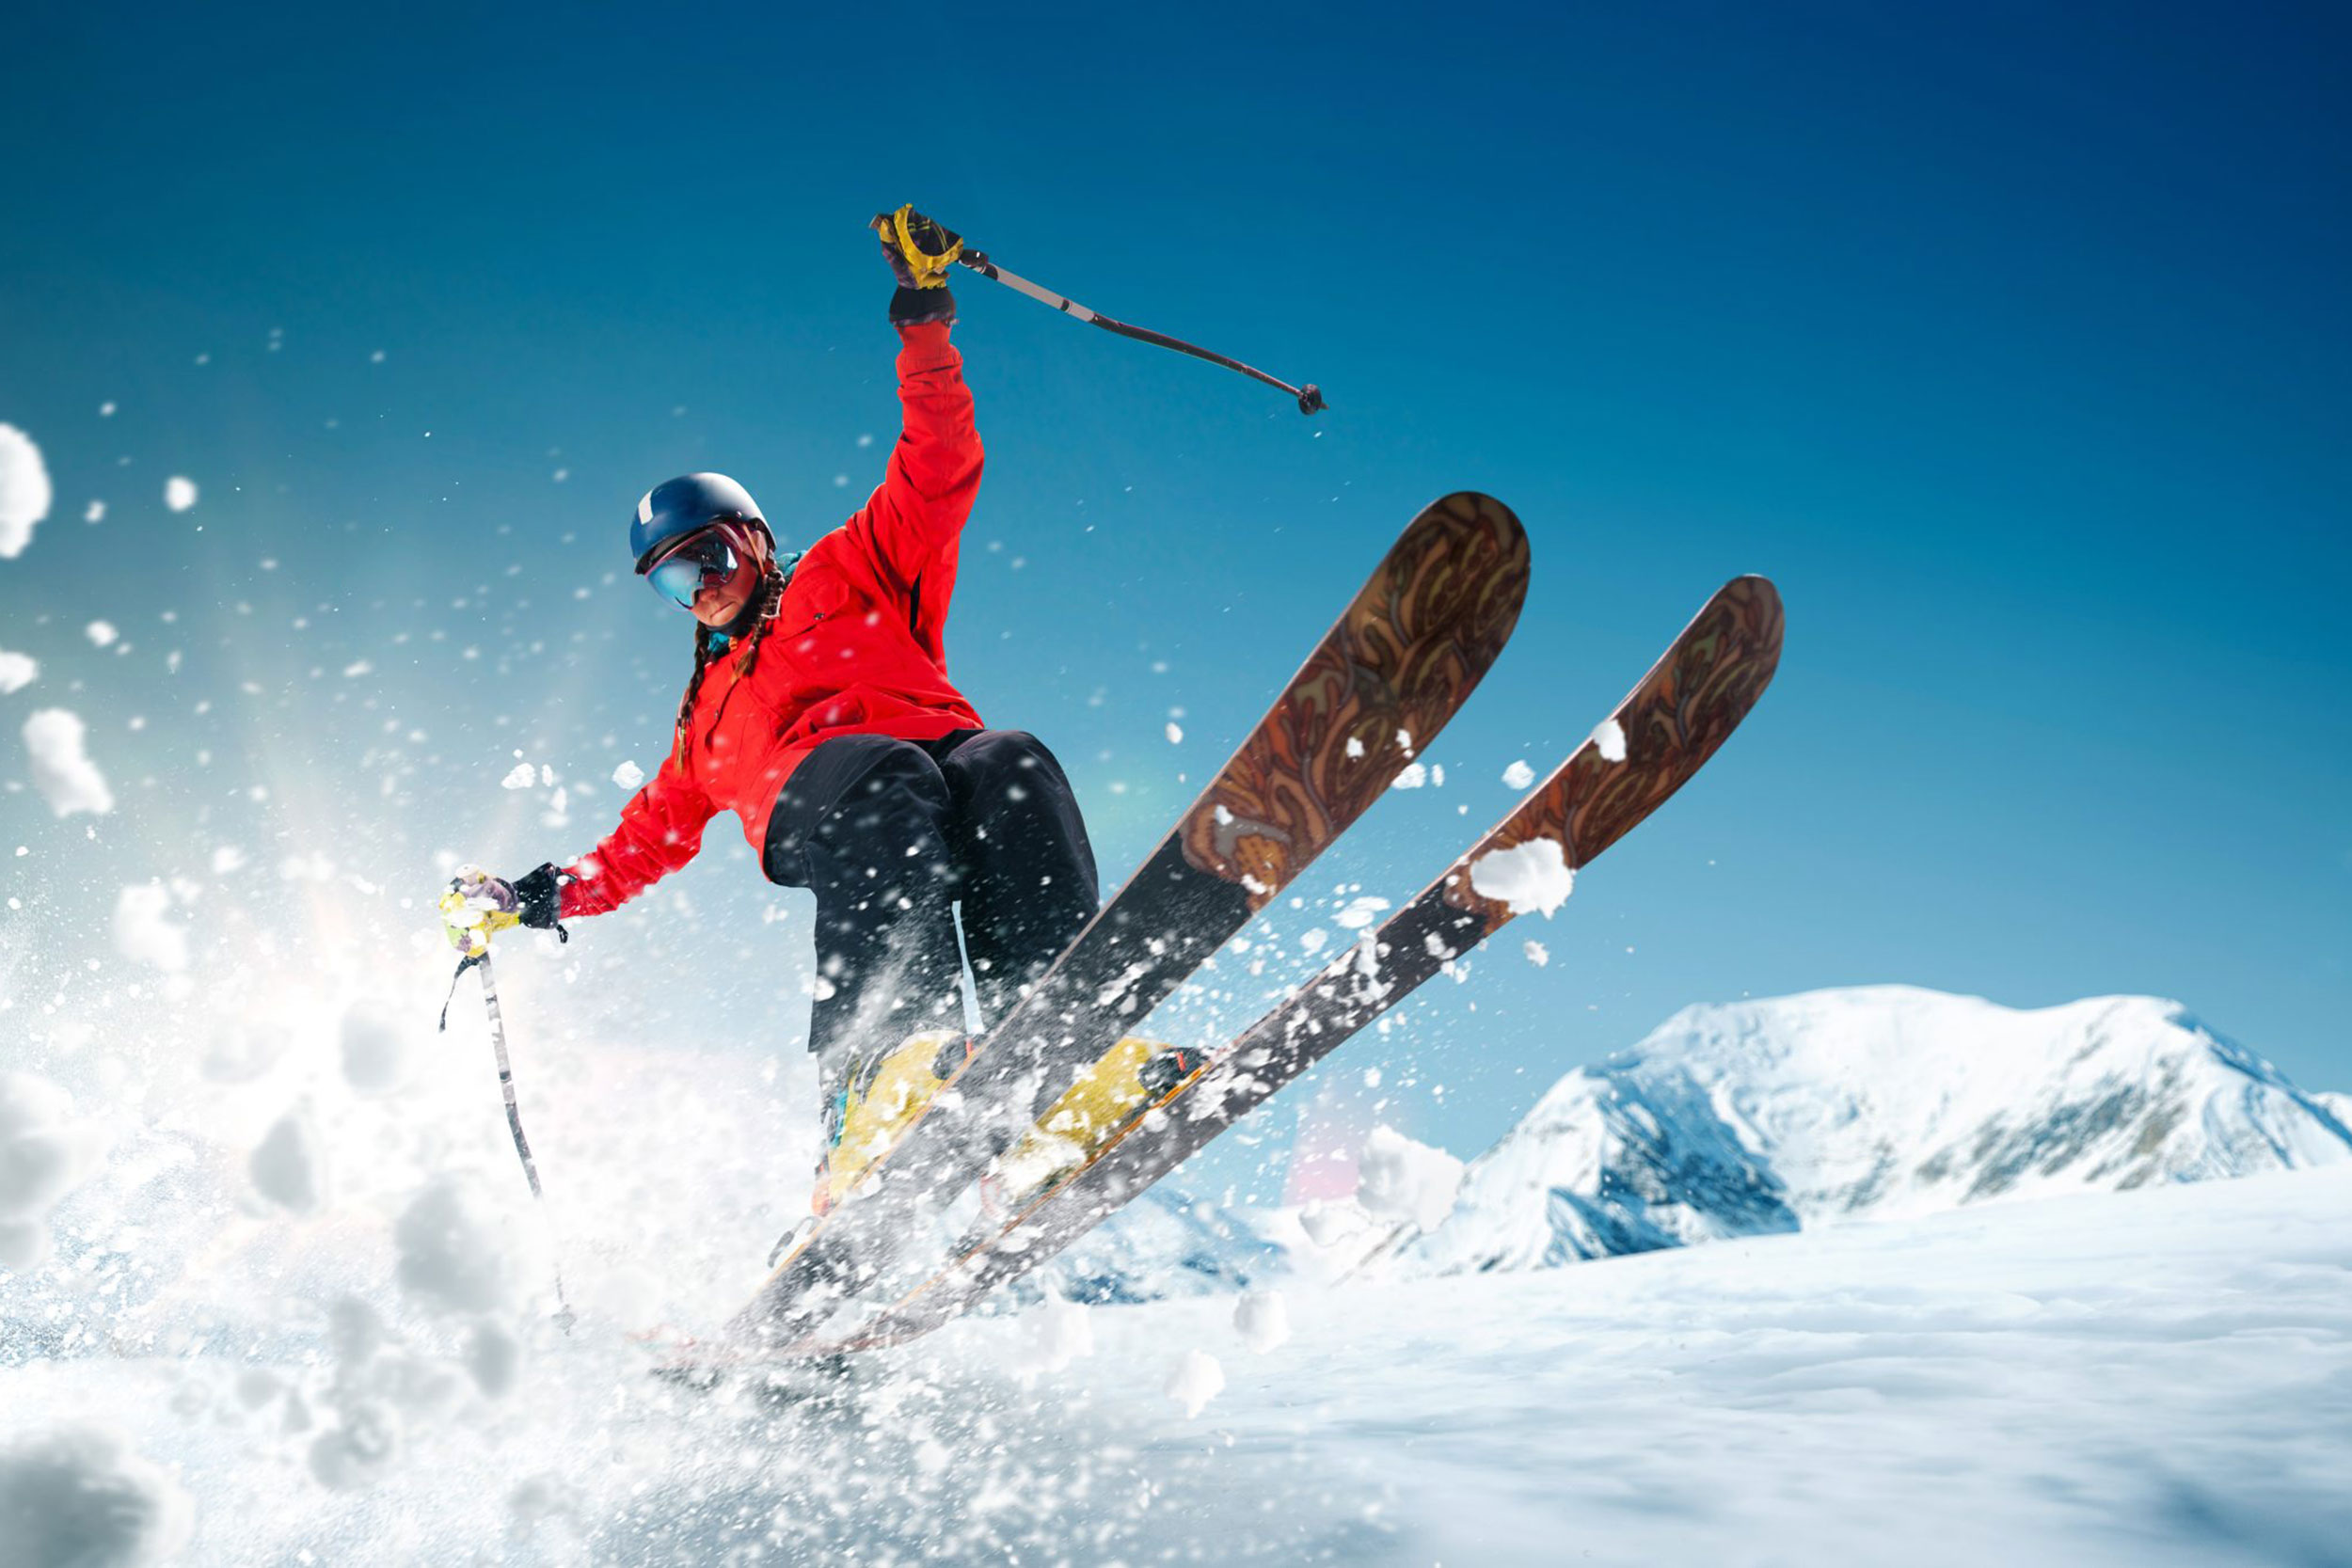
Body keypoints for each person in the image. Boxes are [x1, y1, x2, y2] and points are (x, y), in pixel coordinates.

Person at [451, 207, 1102, 1213]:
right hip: (834, 803)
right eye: (673, 584)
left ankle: (1053, 1051)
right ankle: (878, 1078)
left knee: (1008, 759)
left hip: (938, 762)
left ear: (751, 537)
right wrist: (533, 894)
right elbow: (639, 846)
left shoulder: (855, 568)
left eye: (707, 557)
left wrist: (923, 324)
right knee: (884, 777)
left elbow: (935, 469)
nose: (701, 588)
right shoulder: (706, 720)